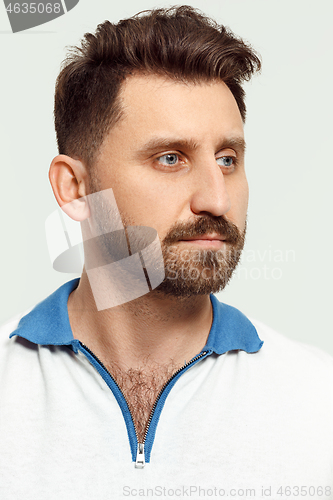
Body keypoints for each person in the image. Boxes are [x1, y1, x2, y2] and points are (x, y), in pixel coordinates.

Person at [0, 5, 332, 499]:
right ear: (74, 188)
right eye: (171, 158)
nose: (216, 200)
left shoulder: (320, 401)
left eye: (228, 159)